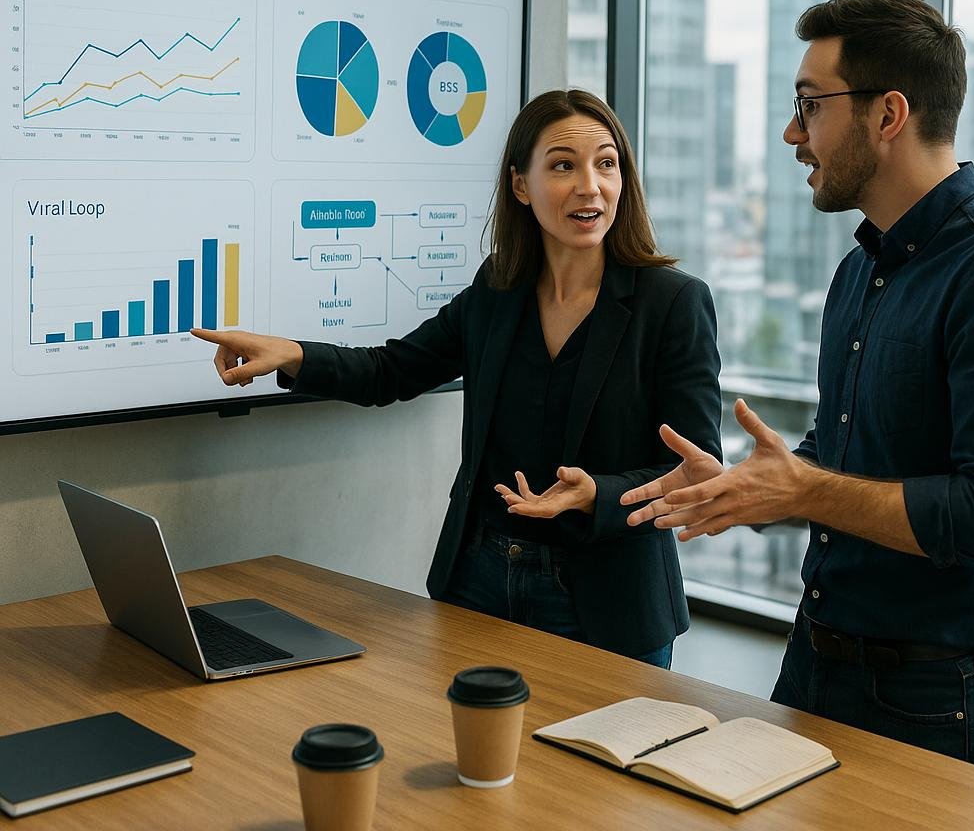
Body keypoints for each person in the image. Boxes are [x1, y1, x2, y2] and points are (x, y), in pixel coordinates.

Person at [623, 0, 974, 770]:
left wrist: (802, 491)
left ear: (889, 114)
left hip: (936, 698)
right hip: (814, 663)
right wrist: (754, 487)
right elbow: (842, 452)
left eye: (810, 105)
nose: (791, 134)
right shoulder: (857, 270)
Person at [193, 89, 722, 667]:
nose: (590, 186)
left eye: (607, 163)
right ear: (522, 185)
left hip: (606, 599)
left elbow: (692, 468)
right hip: (480, 579)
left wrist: (599, 494)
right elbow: (391, 370)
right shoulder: (497, 290)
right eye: (563, 165)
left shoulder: (672, 304)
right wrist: (292, 353)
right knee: (472, 758)